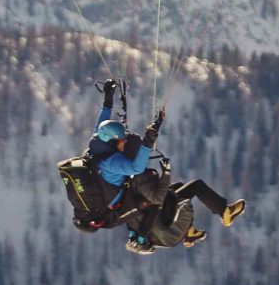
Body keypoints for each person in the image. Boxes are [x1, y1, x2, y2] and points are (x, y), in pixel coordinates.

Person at [71, 79, 247, 254]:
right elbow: (137, 168)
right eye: (122, 141)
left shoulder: (96, 144)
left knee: (174, 191)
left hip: (123, 198)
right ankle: (222, 213)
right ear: (112, 143)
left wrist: (108, 100)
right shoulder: (112, 163)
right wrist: (149, 143)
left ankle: (191, 230)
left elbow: (100, 126)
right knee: (170, 195)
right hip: (117, 211)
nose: (124, 142)